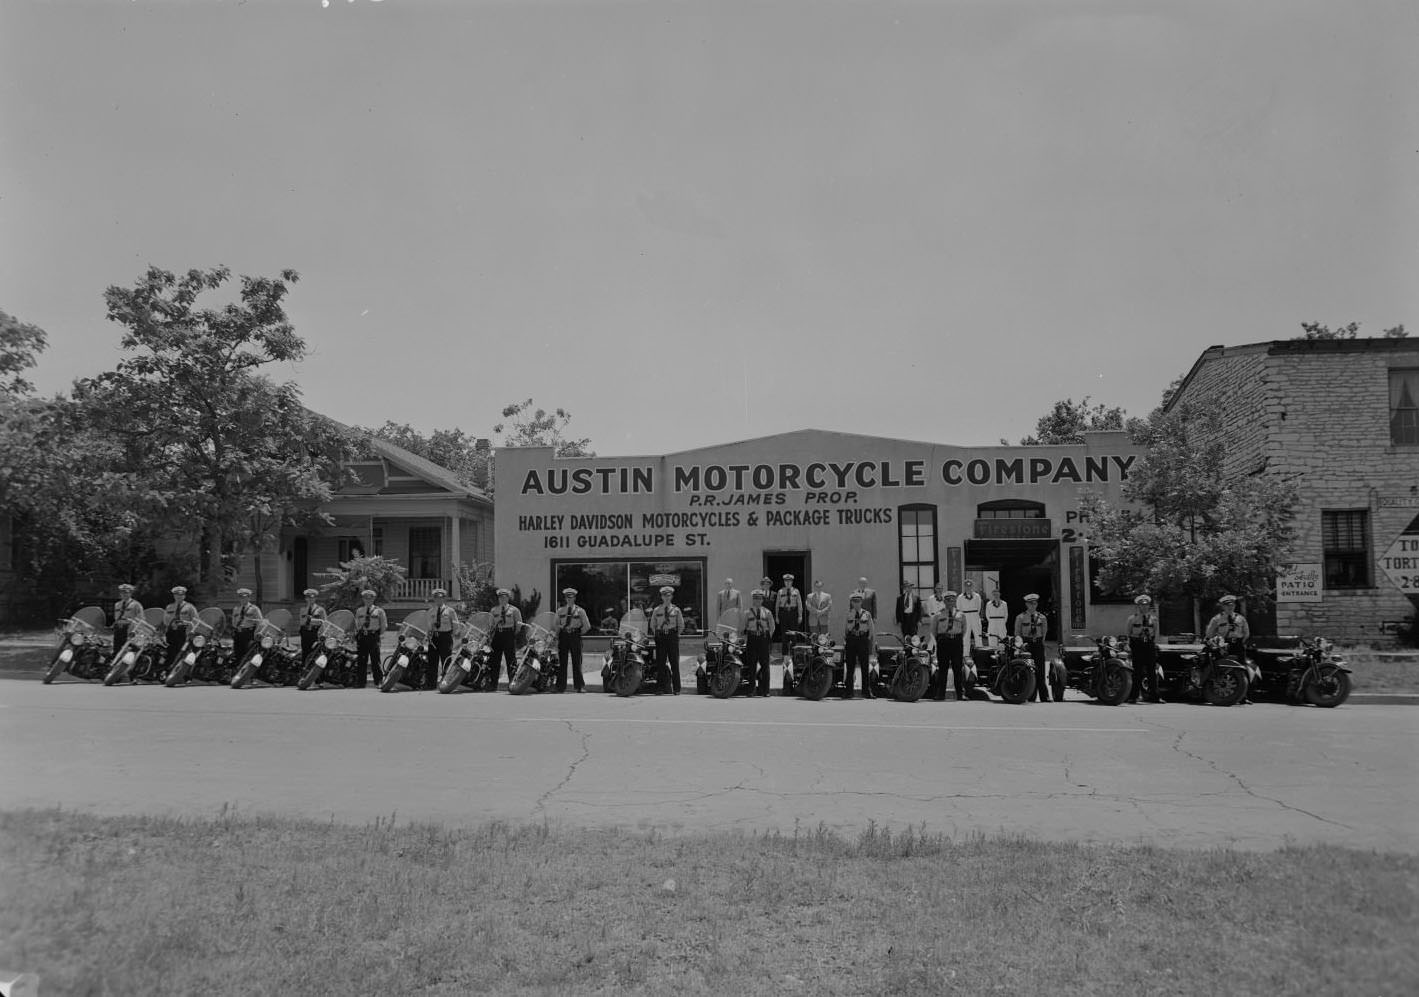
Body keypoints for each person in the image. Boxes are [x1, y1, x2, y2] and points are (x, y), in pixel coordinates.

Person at [930, 591, 967, 701]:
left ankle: (960, 694)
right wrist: (942, 638)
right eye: (948, 601)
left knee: (957, 668)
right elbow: (933, 630)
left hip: (956, 641)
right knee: (943, 669)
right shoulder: (938, 614)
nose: (950, 603)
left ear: (955, 601)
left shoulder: (961, 614)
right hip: (943, 642)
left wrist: (955, 637)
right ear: (944, 602)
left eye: (952, 600)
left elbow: (964, 629)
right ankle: (940, 694)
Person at [648, 586, 684, 694]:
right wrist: (657, 635)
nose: (667, 598)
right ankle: (660, 688)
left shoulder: (676, 610)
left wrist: (676, 635)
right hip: (661, 638)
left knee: (674, 663)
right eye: (664, 596)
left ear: (671, 597)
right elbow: (652, 625)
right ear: (662, 597)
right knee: (660, 663)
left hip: (672, 637)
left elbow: (681, 625)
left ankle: (677, 689)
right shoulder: (657, 610)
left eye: (668, 596)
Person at [1014, 594, 1050, 702]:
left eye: (1034, 603)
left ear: (1037, 604)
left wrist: (1040, 642)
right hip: (1027, 646)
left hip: (1038, 645)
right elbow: (1017, 633)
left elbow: (1044, 632)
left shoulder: (1042, 617)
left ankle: (1044, 696)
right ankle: (1030, 695)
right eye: (1030, 603)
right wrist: (1020, 645)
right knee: (1029, 669)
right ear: (1026, 604)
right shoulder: (1020, 617)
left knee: (1040, 669)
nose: (1032, 605)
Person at [1126, 594, 1161, 704]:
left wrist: (1154, 644)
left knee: (1152, 671)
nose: (1144, 607)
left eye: (1146, 605)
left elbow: (1155, 633)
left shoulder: (1154, 619)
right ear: (1138, 606)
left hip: (1149, 645)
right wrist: (1129, 646)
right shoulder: (1132, 619)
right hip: (1137, 644)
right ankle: (1133, 696)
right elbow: (1128, 633)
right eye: (1142, 605)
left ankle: (1154, 697)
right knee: (1137, 671)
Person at [556, 587, 591, 693]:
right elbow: (556, 624)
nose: (569, 599)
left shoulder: (580, 611)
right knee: (562, 662)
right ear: (565, 598)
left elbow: (587, 625)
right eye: (567, 597)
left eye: (571, 597)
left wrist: (578, 633)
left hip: (575, 635)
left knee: (577, 661)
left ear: (574, 598)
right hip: (563, 636)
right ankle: (560, 687)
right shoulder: (560, 610)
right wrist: (557, 636)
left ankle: (579, 686)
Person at [842, 592, 876, 699]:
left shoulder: (867, 614)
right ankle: (848, 692)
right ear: (851, 602)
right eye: (854, 601)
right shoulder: (848, 614)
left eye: (858, 601)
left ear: (861, 602)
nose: (856, 604)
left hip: (862, 639)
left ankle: (866, 692)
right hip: (851, 640)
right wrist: (846, 640)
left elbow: (871, 629)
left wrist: (869, 641)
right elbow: (845, 629)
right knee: (850, 666)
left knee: (865, 667)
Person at [489, 588, 523, 690]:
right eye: (500, 598)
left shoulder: (514, 610)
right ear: (498, 599)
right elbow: (490, 624)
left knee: (511, 660)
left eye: (504, 597)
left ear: (508, 598)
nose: (502, 599)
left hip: (508, 634)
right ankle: (493, 684)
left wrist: (513, 634)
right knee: (495, 660)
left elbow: (519, 624)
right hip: (497, 635)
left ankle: (512, 684)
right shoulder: (494, 610)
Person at [743, 590, 775, 697]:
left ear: (762, 600)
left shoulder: (767, 612)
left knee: (765, 665)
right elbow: (743, 627)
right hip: (752, 639)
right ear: (753, 600)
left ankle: (766, 691)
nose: (757, 601)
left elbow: (772, 627)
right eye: (755, 598)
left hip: (763, 639)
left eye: (759, 599)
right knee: (751, 665)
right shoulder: (747, 613)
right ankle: (751, 690)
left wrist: (767, 637)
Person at [427, 589, 460, 690]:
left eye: (441, 598)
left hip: (445, 636)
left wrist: (455, 635)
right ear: (434, 599)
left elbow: (455, 624)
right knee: (432, 661)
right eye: (436, 598)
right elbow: (429, 625)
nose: (439, 600)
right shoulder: (431, 611)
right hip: (434, 637)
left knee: (446, 660)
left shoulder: (450, 611)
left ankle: (445, 683)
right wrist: (428, 635)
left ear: (444, 599)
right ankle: (431, 684)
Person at [354, 589, 387, 689]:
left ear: (373, 599)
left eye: (370, 598)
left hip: (373, 636)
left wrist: (377, 635)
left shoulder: (379, 611)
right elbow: (356, 625)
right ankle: (361, 682)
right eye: (366, 598)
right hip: (362, 637)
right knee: (361, 660)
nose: (368, 600)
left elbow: (383, 625)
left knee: (375, 660)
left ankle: (378, 682)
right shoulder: (359, 611)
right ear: (363, 599)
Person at [162, 585, 200, 671]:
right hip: (172, 632)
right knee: (170, 651)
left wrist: (191, 631)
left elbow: (196, 620)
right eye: (176, 595)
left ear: (184, 596)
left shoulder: (190, 607)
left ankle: (180, 672)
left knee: (182, 652)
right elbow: (165, 621)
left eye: (181, 595)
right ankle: (168, 671)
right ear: (174, 596)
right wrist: (171, 625)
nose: (179, 597)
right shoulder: (169, 607)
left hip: (184, 632)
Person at [230, 588, 264, 665]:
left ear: (249, 598)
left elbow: (260, 622)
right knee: (237, 653)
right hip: (238, 634)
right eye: (241, 597)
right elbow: (233, 622)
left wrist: (256, 633)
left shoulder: (254, 609)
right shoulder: (236, 609)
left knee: (248, 654)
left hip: (248, 633)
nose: (243, 599)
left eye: (245, 597)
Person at [112, 583, 144, 659]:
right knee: (116, 648)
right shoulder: (117, 604)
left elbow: (141, 618)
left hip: (129, 629)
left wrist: (136, 630)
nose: (124, 594)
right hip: (118, 628)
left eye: (126, 592)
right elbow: (116, 617)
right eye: (122, 592)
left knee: (128, 648)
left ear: (131, 593)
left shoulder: (136, 605)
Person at [775, 573, 803, 659]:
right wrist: (776, 616)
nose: (787, 583)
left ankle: (794, 655)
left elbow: (799, 604)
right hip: (783, 614)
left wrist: (800, 616)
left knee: (793, 635)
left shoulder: (796, 591)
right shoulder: (780, 591)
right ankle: (785, 656)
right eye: (786, 581)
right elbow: (777, 605)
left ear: (792, 582)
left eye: (789, 581)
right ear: (784, 582)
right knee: (784, 635)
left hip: (793, 613)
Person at [297, 588, 327, 664]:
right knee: (305, 652)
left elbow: (324, 622)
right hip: (305, 633)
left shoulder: (320, 610)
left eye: (312, 597)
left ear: (315, 598)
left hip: (315, 633)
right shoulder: (303, 610)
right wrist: (310, 621)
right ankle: (303, 669)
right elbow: (302, 622)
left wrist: (312, 621)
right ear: (305, 598)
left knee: (314, 653)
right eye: (308, 597)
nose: (310, 599)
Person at [957, 579, 984, 655]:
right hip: (965, 617)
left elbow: (978, 608)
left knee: (978, 636)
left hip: (975, 616)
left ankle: (980, 655)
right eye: (967, 586)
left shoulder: (977, 596)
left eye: (970, 586)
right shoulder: (960, 597)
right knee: (965, 637)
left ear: (972, 587)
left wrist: (974, 615)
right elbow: (959, 609)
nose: (968, 588)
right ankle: (965, 655)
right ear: (964, 587)